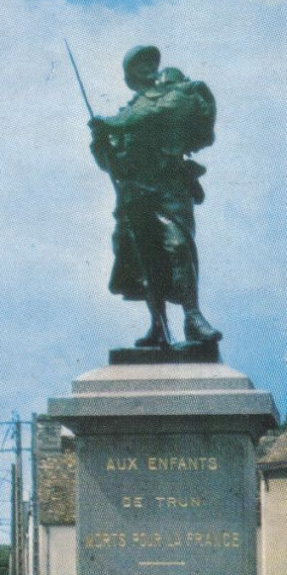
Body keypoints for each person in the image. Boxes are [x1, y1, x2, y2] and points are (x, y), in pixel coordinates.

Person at [89, 45, 222, 350]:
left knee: (177, 246)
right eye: (138, 64)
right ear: (130, 76)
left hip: (169, 188)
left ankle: (193, 317)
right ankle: (158, 326)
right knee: (145, 262)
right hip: (136, 194)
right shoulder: (127, 113)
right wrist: (100, 143)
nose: (147, 66)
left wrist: (113, 124)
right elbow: (113, 164)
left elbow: (170, 109)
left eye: (150, 60)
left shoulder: (174, 88)